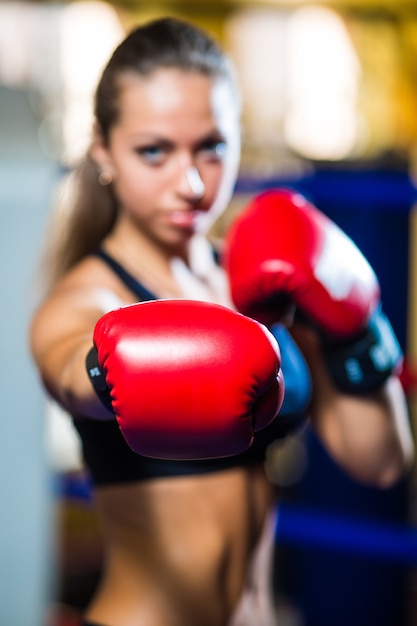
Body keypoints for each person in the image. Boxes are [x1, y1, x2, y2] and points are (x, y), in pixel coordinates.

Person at [29, 16, 413, 626]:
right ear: (103, 149)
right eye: (153, 151)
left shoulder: (263, 278)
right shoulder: (90, 297)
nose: (189, 184)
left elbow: (382, 462)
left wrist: (354, 325)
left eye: (211, 148)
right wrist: (109, 368)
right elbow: (70, 364)